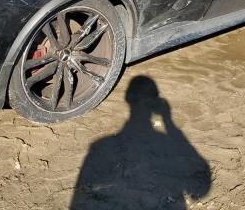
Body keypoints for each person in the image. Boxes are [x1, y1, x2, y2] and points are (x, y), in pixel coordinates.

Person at [71, 75, 211, 209]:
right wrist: (168, 121)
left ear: (127, 99)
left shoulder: (99, 145)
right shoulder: (162, 141)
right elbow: (201, 190)